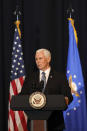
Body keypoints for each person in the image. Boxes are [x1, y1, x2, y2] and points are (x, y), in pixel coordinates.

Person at [20, 48, 73, 131]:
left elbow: (68, 96)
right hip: (34, 123)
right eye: (36, 59)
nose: (37, 61)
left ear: (48, 59)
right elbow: (22, 96)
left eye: (40, 58)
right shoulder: (30, 77)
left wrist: (66, 100)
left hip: (55, 123)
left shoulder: (60, 77)